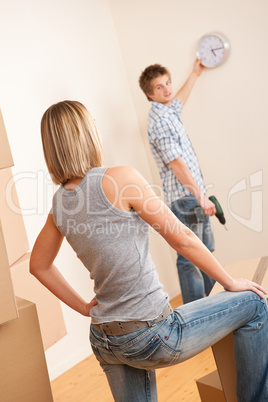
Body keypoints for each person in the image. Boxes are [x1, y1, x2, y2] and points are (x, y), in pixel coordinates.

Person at [30, 100, 268, 402]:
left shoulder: (59, 204)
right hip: (153, 334)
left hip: (105, 339)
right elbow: (180, 238)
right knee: (253, 303)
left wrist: (84, 308)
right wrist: (230, 282)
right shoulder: (119, 177)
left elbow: (38, 265)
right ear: (87, 134)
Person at [139, 59, 217, 304]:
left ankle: (220, 304)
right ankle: (197, 314)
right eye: (160, 87)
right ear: (150, 94)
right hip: (186, 199)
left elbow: (180, 98)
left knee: (204, 253)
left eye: (168, 83)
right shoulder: (159, 120)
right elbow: (176, 163)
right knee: (190, 258)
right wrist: (200, 196)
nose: (167, 89)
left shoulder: (168, 110)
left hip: (193, 195)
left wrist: (195, 73)